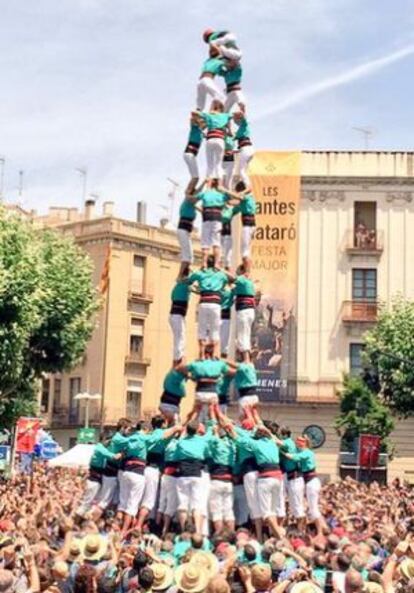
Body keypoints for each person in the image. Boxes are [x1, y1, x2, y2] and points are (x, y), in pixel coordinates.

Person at [185, 257, 233, 357]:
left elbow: (189, 280)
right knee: (215, 331)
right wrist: (220, 270)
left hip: (204, 302)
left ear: (207, 263)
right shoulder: (220, 275)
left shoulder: (201, 273)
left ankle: (202, 355)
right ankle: (215, 354)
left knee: (202, 330)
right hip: (215, 304)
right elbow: (232, 279)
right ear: (215, 263)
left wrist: (201, 270)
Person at [175, 420, 213, 534]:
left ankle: (183, 532)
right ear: (197, 430)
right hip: (197, 473)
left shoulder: (180, 442)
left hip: (182, 474)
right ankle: (198, 532)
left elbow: (176, 455)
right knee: (196, 505)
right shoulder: (202, 441)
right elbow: (208, 453)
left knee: (182, 505)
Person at [76, 433, 122, 518]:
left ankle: (80, 523)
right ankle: (75, 522)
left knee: (89, 504)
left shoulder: (99, 448)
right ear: (104, 439)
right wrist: (123, 452)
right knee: (86, 504)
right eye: (109, 440)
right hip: (94, 480)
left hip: (95, 479)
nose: (110, 443)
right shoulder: (100, 449)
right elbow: (115, 457)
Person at [194, 101, 232, 183]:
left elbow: (195, 113)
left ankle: (208, 187)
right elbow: (235, 115)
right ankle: (220, 185)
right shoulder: (224, 115)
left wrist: (201, 128)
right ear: (221, 108)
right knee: (218, 165)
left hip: (210, 140)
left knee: (210, 165)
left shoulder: (208, 115)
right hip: (220, 140)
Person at [208, 422, 236, 534]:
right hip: (228, 482)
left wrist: (214, 431)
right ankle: (231, 536)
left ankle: (219, 536)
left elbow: (212, 444)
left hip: (216, 480)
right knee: (228, 511)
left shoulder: (216, 443)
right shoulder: (232, 445)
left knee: (216, 512)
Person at [196, 181, 230, 268]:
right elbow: (231, 198)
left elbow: (194, 198)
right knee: (216, 242)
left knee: (205, 242)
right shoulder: (221, 195)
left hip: (207, 217)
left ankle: (204, 262)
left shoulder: (205, 193)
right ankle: (216, 263)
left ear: (210, 184)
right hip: (217, 218)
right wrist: (224, 189)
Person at [279, 426, 305, 530]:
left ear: (285, 434)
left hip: (295, 476)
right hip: (290, 477)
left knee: (298, 507)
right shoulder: (290, 443)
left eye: (281, 434)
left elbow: (278, 443)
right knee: (294, 506)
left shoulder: (288, 442)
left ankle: (301, 530)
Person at [228, 181, 256, 270]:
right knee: (245, 251)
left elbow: (238, 198)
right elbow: (233, 205)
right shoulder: (244, 202)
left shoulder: (247, 197)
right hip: (250, 225)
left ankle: (247, 272)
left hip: (248, 226)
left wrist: (225, 191)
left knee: (245, 252)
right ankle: (246, 270)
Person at [233, 264, 257, 361]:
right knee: (246, 334)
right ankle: (246, 357)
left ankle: (246, 359)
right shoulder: (250, 283)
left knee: (242, 335)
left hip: (244, 311)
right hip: (250, 311)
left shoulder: (241, 280)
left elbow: (232, 280)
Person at [169, 269, 191, 364]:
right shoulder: (185, 285)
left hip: (175, 315)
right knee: (180, 338)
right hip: (177, 315)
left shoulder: (178, 286)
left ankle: (178, 357)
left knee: (179, 338)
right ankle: (178, 359)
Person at [177, 193, 200, 278]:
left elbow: (201, 209)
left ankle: (186, 273)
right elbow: (196, 194)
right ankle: (180, 276)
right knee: (187, 257)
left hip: (186, 232)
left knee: (191, 258)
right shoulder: (187, 201)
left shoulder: (192, 206)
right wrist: (204, 182)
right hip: (182, 230)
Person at [196, 46, 226, 111]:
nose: (211, 51)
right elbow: (214, 48)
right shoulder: (219, 60)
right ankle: (214, 111)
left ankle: (198, 113)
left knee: (200, 102)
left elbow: (222, 73)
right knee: (220, 96)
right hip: (207, 79)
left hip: (200, 82)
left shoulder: (209, 61)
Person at [183, 116, 204, 195]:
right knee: (195, 177)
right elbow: (192, 119)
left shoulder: (201, 132)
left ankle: (191, 192)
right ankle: (187, 194)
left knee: (196, 177)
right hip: (189, 153)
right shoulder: (194, 128)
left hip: (191, 155)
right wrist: (199, 121)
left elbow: (206, 125)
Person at [233, 110, 253, 185]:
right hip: (245, 149)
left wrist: (239, 113)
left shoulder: (244, 124)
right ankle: (246, 185)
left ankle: (248, 187)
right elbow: (231, 137)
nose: (235, 121)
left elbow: (244, 118)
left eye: (236, 120)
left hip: (246, 149)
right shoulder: (239, 131)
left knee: (241, 171)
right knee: (244, 171)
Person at [220, 205, 237, 271]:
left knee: (227, 257)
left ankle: (228, 269)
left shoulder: (230, 209)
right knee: (220, 254)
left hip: (227, 232)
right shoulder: (218, 207)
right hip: (220, 232)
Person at [219, 287, 234, 358]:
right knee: (225, 339)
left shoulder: (218, 291)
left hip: (218, 315)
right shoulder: (230, 292)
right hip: (226, 316)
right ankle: (223, 356)